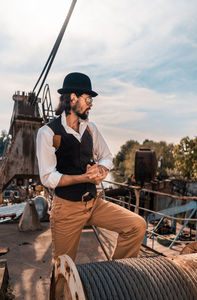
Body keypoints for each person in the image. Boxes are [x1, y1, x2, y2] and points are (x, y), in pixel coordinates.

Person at [36, 72, 146, 262]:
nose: (91, 104)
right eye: (87, 99)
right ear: (72, 98)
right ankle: (62, 292)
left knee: (136, 225)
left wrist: (101, 170)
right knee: (63, 268)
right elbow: (48, 177)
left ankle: (116, 278)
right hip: (67, 209)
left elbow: (106, 156)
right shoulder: (47, 133)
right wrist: (84, 178)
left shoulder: (90, 128)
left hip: (93, 203)